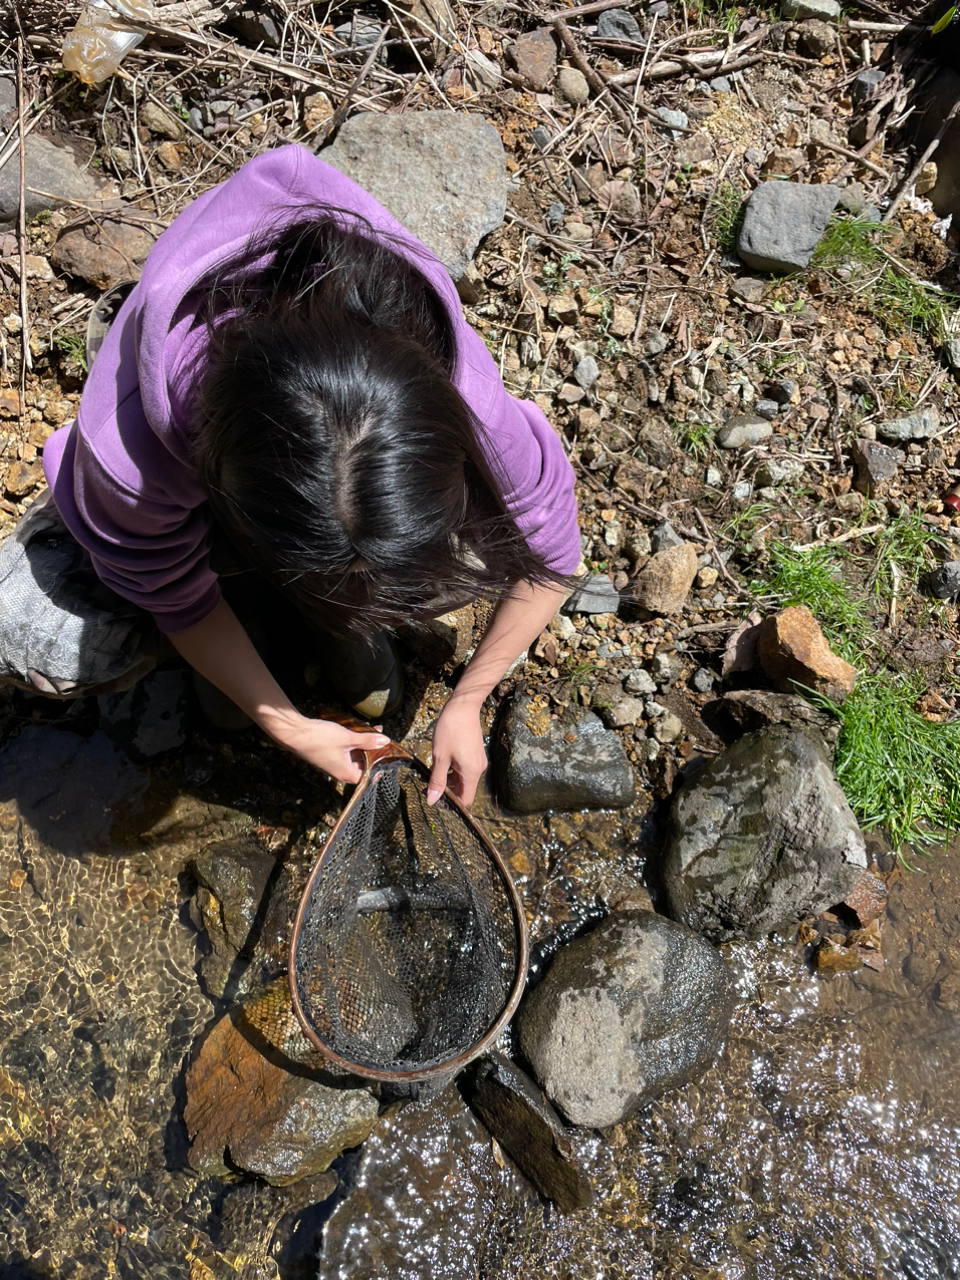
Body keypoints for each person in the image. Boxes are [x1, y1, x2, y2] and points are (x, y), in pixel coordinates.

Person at [2, 144, 581, 806]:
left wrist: (467, 702)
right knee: (54, 638)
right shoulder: (132, 460)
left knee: (465, 559)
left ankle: (332, 627)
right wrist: (285, 723)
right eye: (324, 577)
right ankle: (255, 615)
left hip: (296, 429)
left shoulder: (467, 403)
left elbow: (553, 551)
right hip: (189, 457)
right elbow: (172, 592)